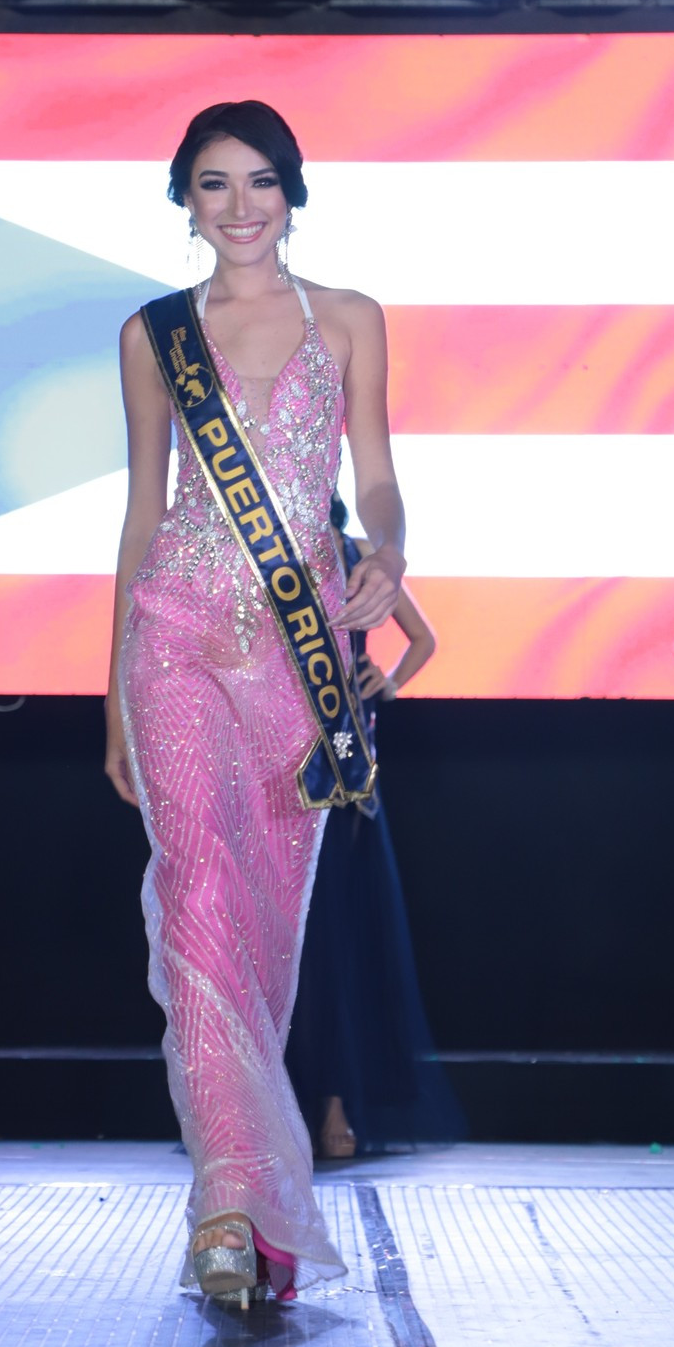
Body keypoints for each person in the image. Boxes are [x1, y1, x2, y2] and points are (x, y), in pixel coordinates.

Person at [105, 100, 407, 1301]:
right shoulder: (154, 334)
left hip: (300, 656)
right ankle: (224, 1209)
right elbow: (140, 512)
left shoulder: (351, 321)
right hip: (174, 633)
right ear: (186, 199)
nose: (240, 207)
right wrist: (112, 700)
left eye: (262, 182)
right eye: (215, 185)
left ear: (294, 191)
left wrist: (385, 549)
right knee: (198, 897)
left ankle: (261, 1210)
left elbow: (375, 478)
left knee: (265, 937)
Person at [286, 493, 455, 1159]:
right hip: (276, 764)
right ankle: (269, 1108)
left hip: (344, 768)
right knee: (283, 945)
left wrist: (385, 683)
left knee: (338, 939)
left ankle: (333, 1103)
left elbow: (424, 638)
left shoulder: (359, 556)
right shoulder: (266, 556)